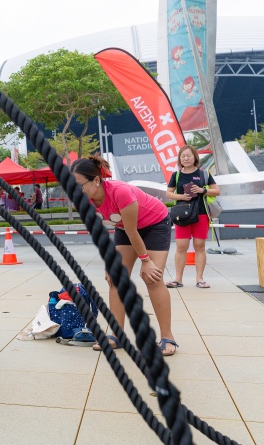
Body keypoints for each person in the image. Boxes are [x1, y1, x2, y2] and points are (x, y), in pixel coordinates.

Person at [71, 155, 178, 356]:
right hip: (125, 227)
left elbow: (133, 231)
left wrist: (145, 261)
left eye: (79, 185)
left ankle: (167, 337)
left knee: (152, 278)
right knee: (115, 278)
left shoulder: (120, 192)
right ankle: (116, 334)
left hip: (154, 223)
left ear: (96, 180)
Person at [165, 145, 220, 289]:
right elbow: (169, 193)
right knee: (181, 246)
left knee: (199, 246)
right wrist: (182, 196)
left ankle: (200, 279)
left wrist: (202, 190)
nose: (186, 158)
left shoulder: (204, 174)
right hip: (182, 215)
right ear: (180, 159)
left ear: (195, 157)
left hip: (201, 214)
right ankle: (178, 279)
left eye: (188, 155)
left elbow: (217, 191)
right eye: (183, 156)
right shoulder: (176, 175)